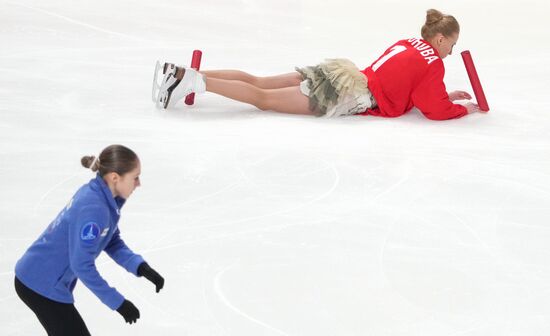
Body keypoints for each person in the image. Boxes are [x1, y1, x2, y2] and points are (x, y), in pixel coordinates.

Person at [152, 9, 484, 120]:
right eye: (451, 45)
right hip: (349, 94)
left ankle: (182, 73)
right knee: (262, 99)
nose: (450, 53)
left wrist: (447, 94)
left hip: (343, 72)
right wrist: (463, 110)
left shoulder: (408, 43)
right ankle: (189, 81)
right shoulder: (433, 64)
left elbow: (410, 87)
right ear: (441, 39)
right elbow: (433, 109)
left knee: (260, 82)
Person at [14, 145, 165, 335]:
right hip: (39, 283)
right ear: (114, 177)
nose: (138, 183)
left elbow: (111, 240)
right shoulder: (95, 208)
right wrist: (118, 302)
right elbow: (82, 265)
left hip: (39, 276)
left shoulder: (102, 197)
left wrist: (141, 267)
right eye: (135, 177)